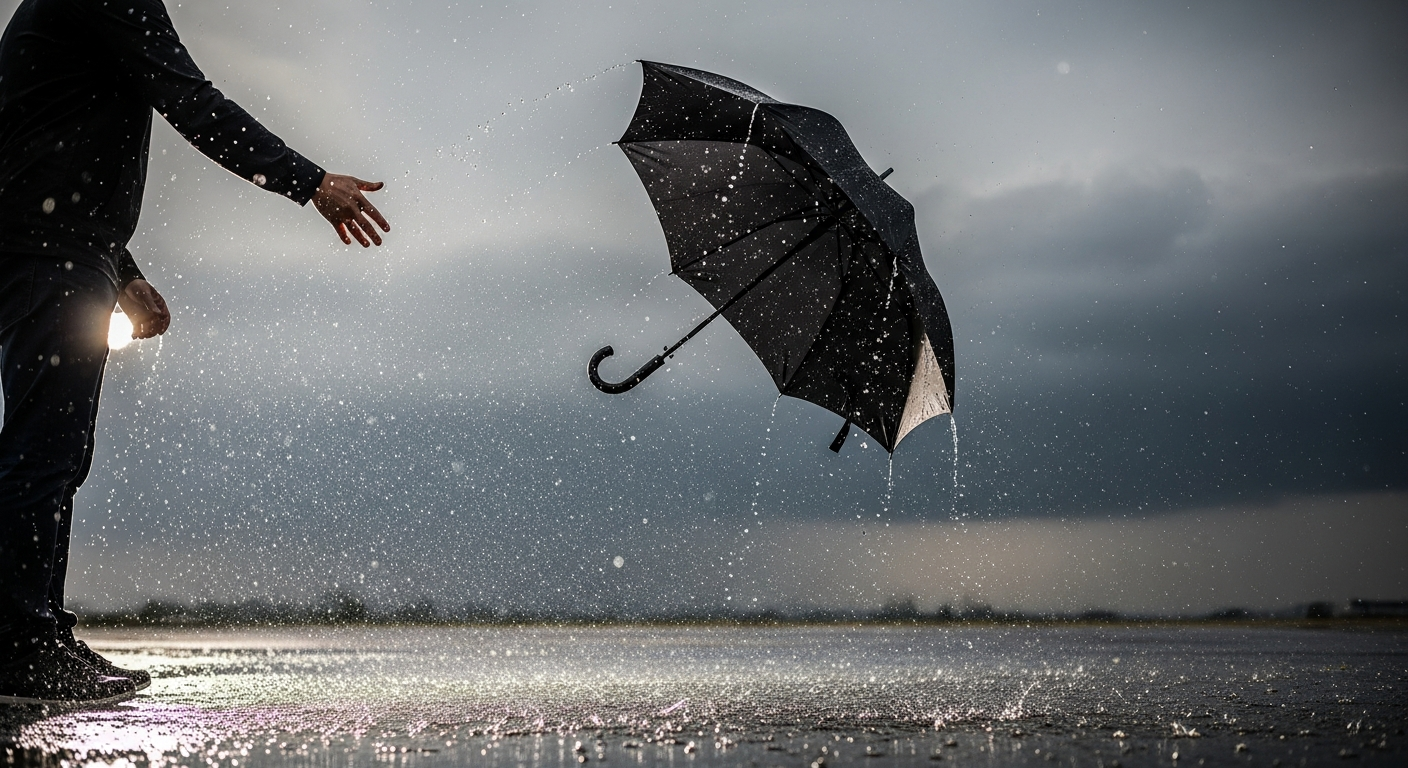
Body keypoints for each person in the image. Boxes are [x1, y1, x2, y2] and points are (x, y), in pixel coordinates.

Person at [0, 0, 390, 705]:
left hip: (63, 251)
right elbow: (192, 102)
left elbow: (39, 148)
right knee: (42, 452)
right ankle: (18, 646)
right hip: (48, 255)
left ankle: (38, 634)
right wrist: (309, 182)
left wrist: (119, 270)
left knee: (58, 453)